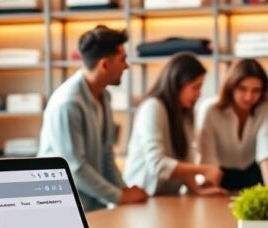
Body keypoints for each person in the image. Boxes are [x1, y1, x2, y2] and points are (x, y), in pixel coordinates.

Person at [37, 25, 147, 212]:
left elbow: (106, 154)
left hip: (93, 204)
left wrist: (123, 190)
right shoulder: (68, 103)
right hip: (63, 207)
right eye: (122, 59)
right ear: (105, 65)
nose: (126, 66)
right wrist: (119, 196)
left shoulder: (105, 97)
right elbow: (75, 168)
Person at [124, 52, 226, 196]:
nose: (199, 93)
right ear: (177, 84)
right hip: (142, 196)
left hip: (166, 197)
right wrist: (204, 169)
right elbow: (157, 164)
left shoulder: (185, 114)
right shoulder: (153, 107)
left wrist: (197, 190)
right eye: (195, 87)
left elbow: (183, 161)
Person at [197, 59, 268, 190]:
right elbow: (209, 157)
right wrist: (211, 190)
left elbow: (266, 145)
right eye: (242, 89)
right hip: (220, 174)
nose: (248, 97)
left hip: (253, 171)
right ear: (231, 87)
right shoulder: (210, 110)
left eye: (256, 90)